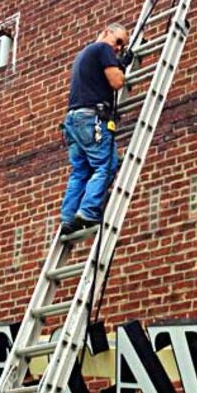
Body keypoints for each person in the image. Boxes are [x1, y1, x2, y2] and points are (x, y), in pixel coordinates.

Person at [60, 23, 131, 235]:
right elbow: (117, 82)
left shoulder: (84, 54)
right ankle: (89, 212)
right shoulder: (102, 49)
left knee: (80, 171)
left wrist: (118, 63)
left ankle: (68, 217)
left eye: (122, 46)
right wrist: (121, 67)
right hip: (92, 119)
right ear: (106, 32)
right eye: (118, 41)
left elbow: (99, 79)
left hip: (73, 121)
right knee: (106, 164)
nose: (118, 48)